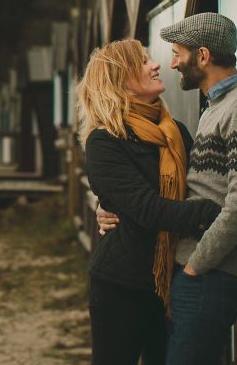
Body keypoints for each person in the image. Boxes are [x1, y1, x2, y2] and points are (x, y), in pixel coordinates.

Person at [97, 13, 237, 365]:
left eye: (178, 53)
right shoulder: (212, 110)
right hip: (174, 272)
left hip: (208, 269)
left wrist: (195, 266)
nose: (171, 62)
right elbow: (176, 192)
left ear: (203, 56)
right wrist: (105, 205)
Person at [76, 39, 223, 365]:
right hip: (123, 286)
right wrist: (224, 216)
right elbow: (148, 209)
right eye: (142, 62)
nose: (155, 65)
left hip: (178, 277)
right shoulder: (104, 142)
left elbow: (199, 191)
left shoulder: (177, 134)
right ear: (119, 80)